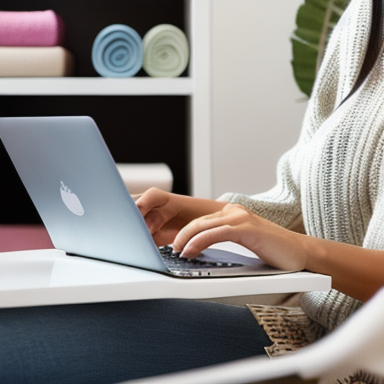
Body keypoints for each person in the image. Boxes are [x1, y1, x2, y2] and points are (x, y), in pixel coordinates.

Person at [1, 0, 384, 383]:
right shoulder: (362, 17)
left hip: (350, 363)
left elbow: (304, 243)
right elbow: (297, 201)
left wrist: (306, 251)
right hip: (307, 332)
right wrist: (184, 212)